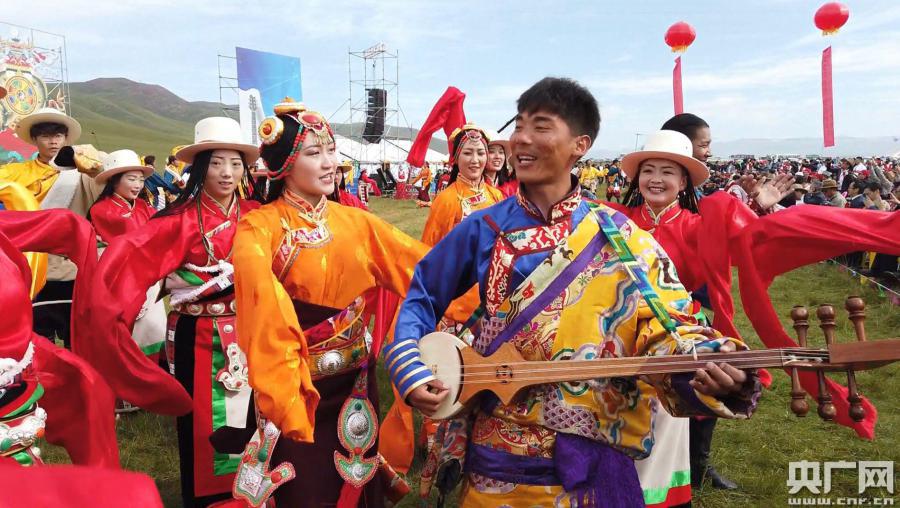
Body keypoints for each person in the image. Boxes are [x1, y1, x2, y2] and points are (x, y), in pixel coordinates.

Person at [391, 77, 761, 507]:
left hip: (595, 459)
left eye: (542, 126)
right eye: (519, 125)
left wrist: (709, 373)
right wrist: (410, 367)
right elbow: (422, 294)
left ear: (580, 145)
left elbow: (671, 328)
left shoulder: (623, 238)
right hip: (498, 460)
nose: (522, 139)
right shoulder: (485, 228)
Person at [231, 102, 427, 507]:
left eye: (332, 150)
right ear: (284, 163)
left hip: (354, 381)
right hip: (296, 383)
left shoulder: (357, 222)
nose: (328, 163)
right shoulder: (259, 227)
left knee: (356, 476)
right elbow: (261, 299)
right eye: (313, 152)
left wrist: (486, 272)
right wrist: (283, 384)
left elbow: (424, 269)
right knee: (304, 487)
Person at [84, 117, 259, 507]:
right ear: (199, 167)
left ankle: (253, 492)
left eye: (234, 163)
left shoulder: (257, 215)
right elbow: (128, 266)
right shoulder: (178, 221)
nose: (227, 173)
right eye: (216, 163)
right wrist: (110, 316)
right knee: (201, 422)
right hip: (195, 334)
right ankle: (206, 500)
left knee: (254, 417)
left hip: (249, 332)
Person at [0, 107, 104, 349]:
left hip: (70, 267)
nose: (53, 141)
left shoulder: (80, 174)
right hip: (27, 268)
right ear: (35, 140)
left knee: (76, 341)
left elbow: (104, 192)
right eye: (46, 135)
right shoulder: (15, 172)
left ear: (66, 139)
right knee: (33, 341)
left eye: (58, 135)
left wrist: (97, 167)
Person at [88, 150, 166, 368]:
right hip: (121, 279)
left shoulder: (143, 207)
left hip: (149, 278)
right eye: (131, 179)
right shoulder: (102, 210)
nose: (138, 185)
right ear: (114, 181)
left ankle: (153, 379)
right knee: (129, 330)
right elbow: (131, 233)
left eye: (141, 180)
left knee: (154, 327)